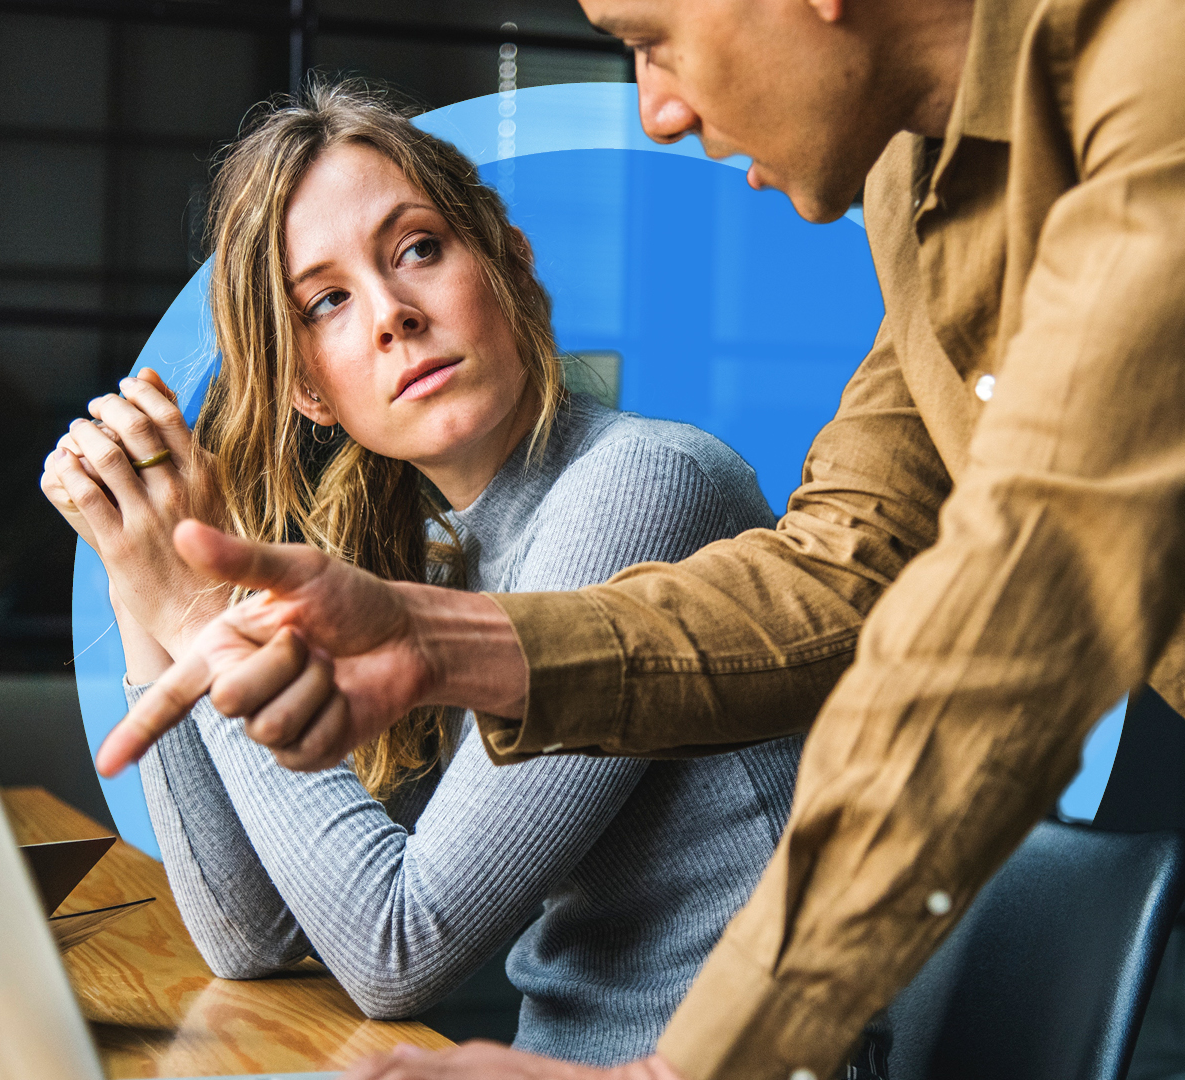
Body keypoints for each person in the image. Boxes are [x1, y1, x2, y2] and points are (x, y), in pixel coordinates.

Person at [103, 0, 1185, 1077]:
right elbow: (845, 566)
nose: (656, 107)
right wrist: (430, 641)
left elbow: (1032, 591)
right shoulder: (921, 186)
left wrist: (688, 1074)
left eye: (650, 36)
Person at [40, 83, 806, 1067]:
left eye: (418, 249)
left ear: (511, 265)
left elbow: (398, 951)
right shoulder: (446, 554)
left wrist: (198, 615)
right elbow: (255, 938)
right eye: (328, 301)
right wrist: (141, 570)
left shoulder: (642, 486)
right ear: (309, 388)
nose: (392, 315)